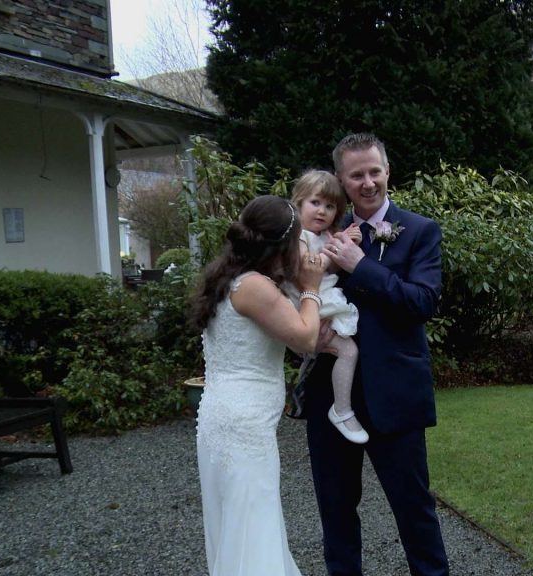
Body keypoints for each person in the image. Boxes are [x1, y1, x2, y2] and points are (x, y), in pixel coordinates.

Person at [304, 133, 450, 576]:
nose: (367, 183)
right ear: (342, 181)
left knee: (414, 509)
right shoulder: (321, 231)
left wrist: (360, 265)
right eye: (356, 175)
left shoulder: (421, 231)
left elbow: (422, 303)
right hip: (331, 394)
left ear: (387, 171)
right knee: (336, 509)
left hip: (396, 393)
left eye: (374, 171)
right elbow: (295, 293)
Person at [189, 195, 325, 576]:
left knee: (238, 522)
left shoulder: (227, 278)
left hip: (222, 414)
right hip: (243, 426)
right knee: (253, 520)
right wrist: (312, 287)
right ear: (281, 245)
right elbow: (305, 339)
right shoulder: (255, 287)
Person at [287, 169, 368, 444]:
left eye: (330, 206)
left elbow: (331, 266)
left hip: (324, 301)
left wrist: (342, 244)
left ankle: (341, 408)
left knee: (347, 350)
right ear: (298, 202)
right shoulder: (297, 236)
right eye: (315, 203)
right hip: (309, 303)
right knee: (349, 351)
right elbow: (306, 270)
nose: (322, 211)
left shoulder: (321, 235)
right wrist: (334, 246)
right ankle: (342, 409)